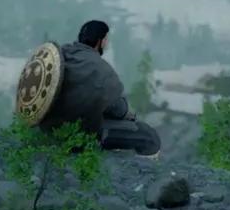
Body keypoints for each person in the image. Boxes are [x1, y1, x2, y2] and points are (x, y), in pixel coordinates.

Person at [39, 20, 162, 157]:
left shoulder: (60, 55)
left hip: (49, 129)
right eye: (106, 39)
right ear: (100, 41)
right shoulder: (101, 69)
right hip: (82, 135)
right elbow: (118, 110)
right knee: (148, 136)